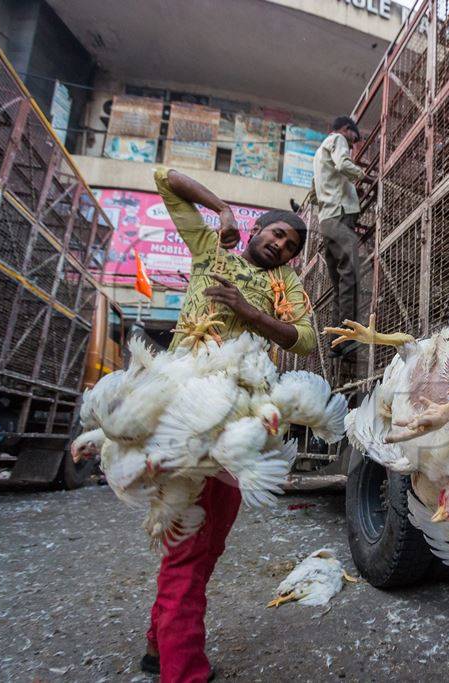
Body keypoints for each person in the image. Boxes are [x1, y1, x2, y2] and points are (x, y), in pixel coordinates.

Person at [141, 167, 315, 682]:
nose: (282, 247)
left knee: (207, 542)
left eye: (290, 247)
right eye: (277, 234)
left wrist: (250, 311)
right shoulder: (209, 250)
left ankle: (158, 647)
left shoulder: (283, 285)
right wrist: (220, 210)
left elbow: (303, 338)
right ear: (257, 228)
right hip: (190, 417)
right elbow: (164, 177)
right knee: (189, 550)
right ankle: (183, 670)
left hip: (239, 428)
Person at [313, 115, 365, 357]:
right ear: (347, 129)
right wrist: (362, 175)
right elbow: (344, 164)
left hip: (326, 221)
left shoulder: (318, 154)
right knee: (351, 277)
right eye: (354, 138)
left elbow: (315, 193)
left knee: (339, 286)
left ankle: (336, 342)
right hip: (340, 216)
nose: (354, 144)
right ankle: (348, 339)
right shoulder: (338, 139)